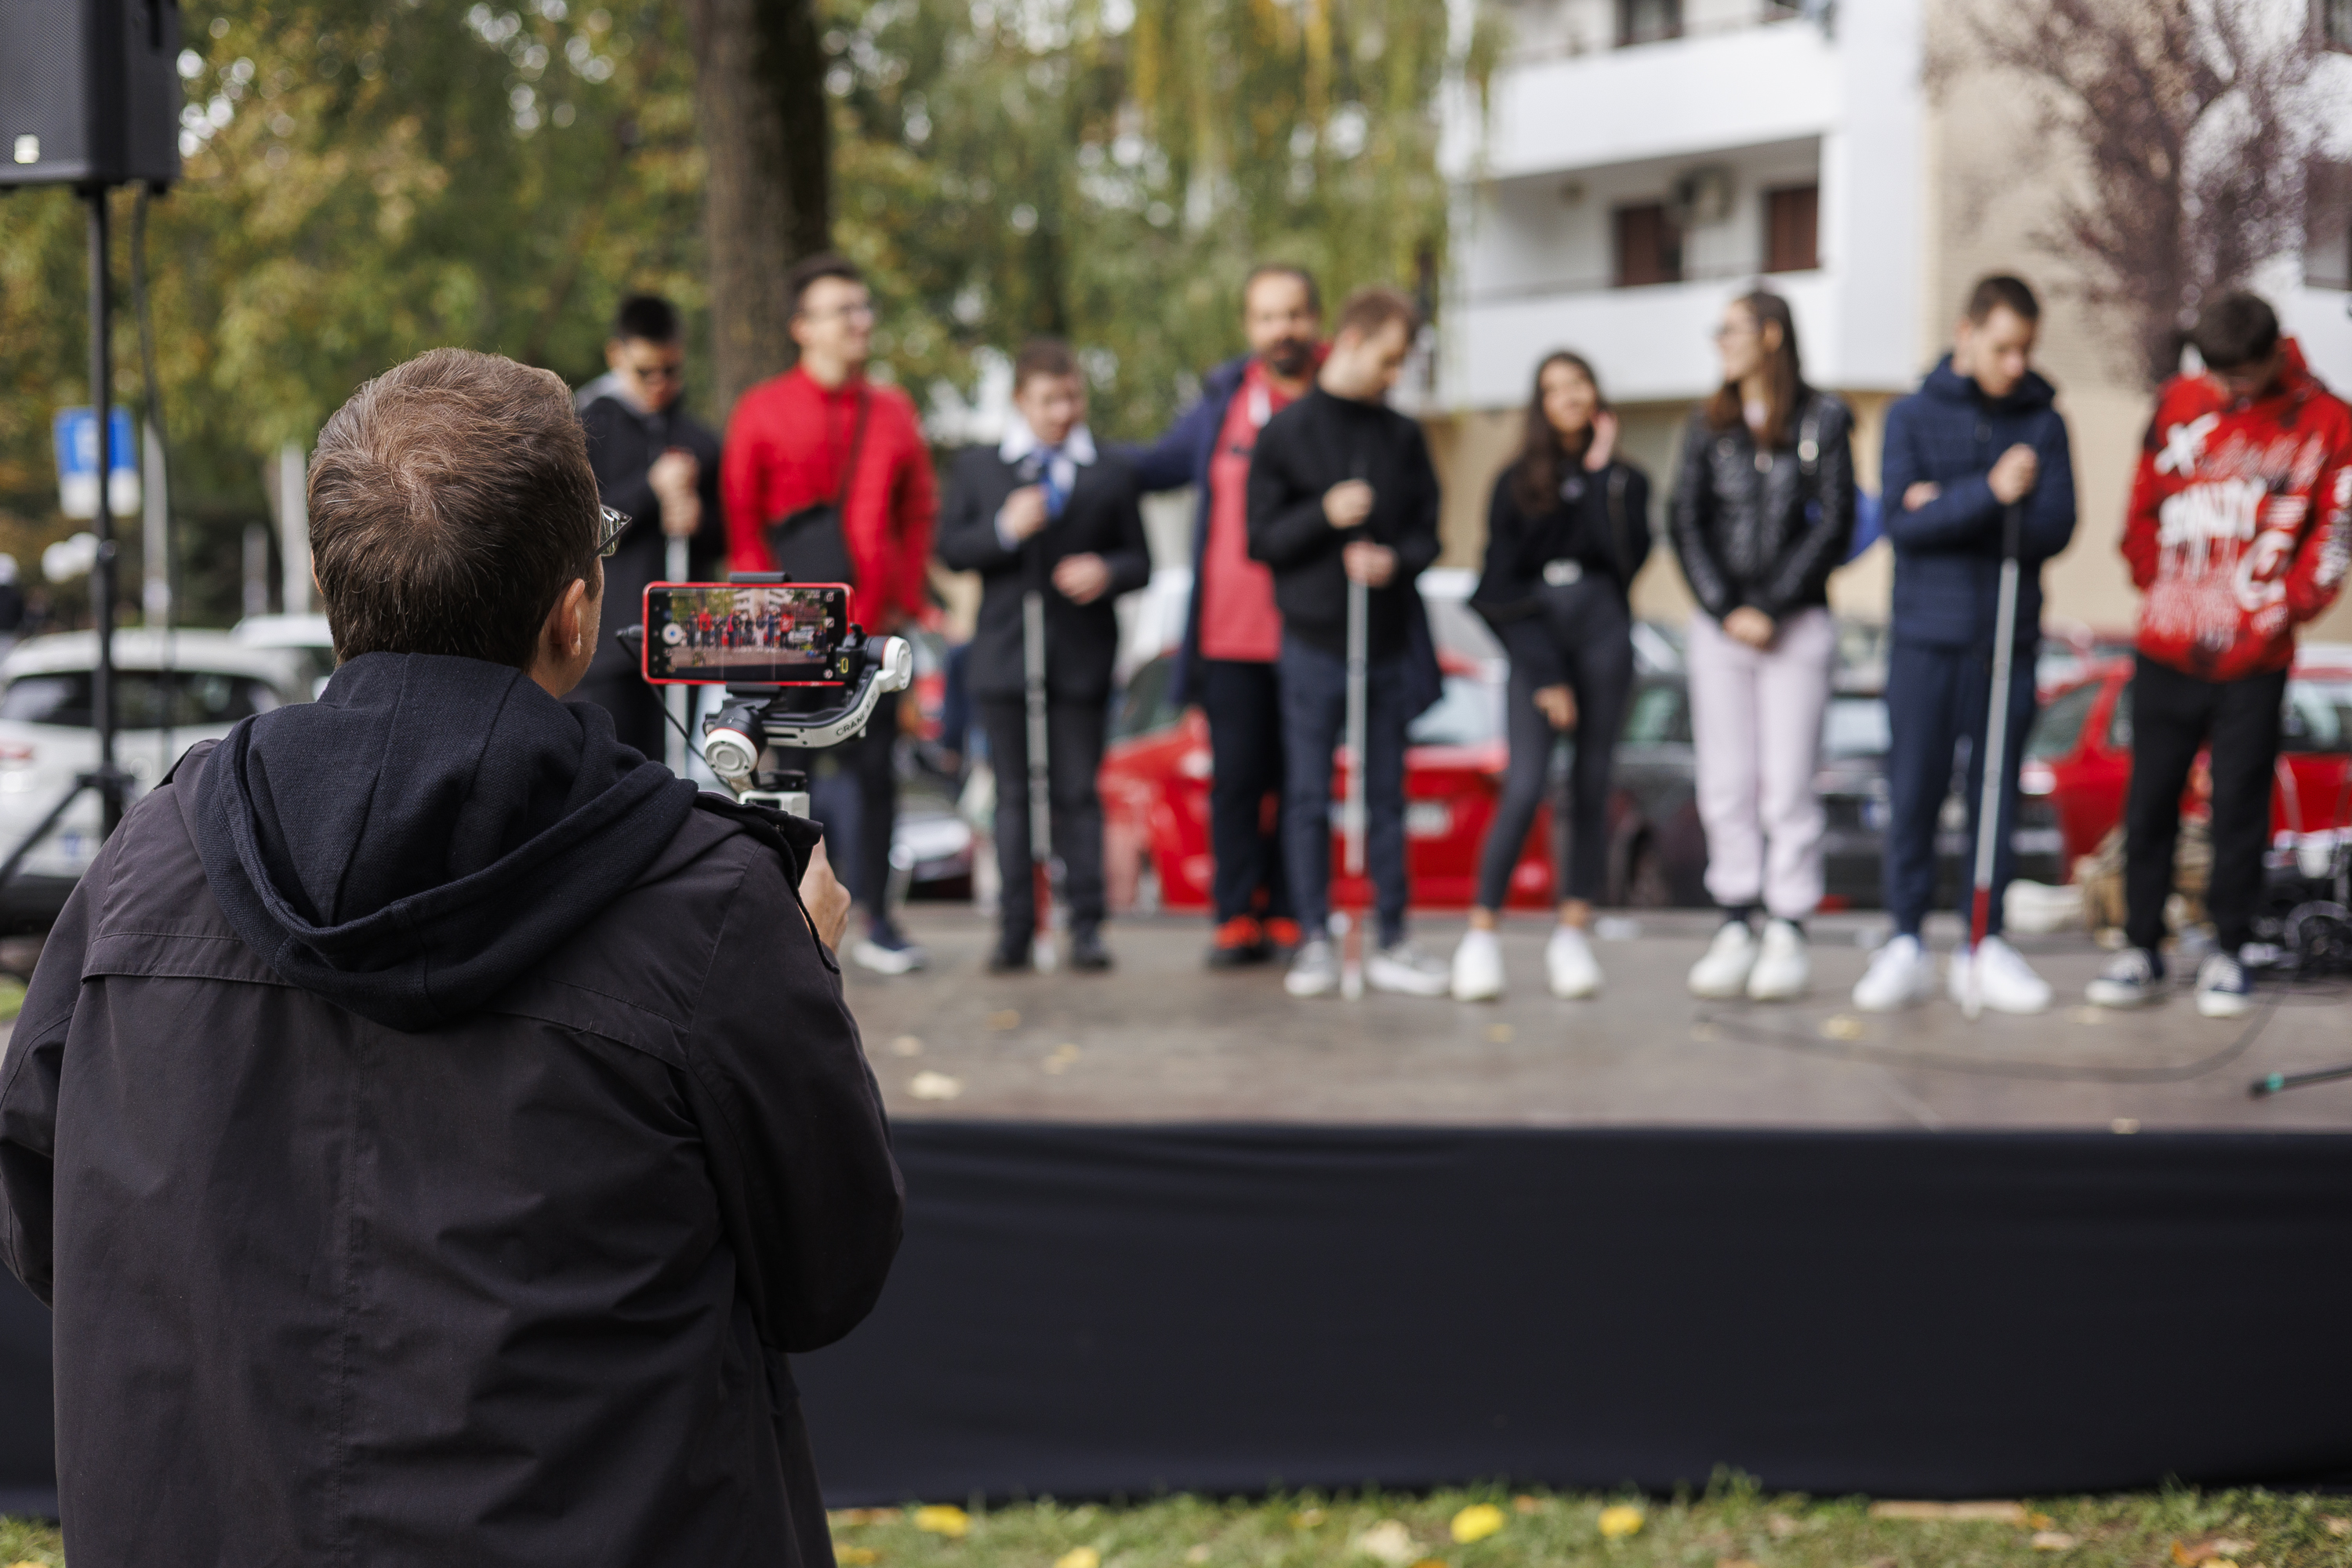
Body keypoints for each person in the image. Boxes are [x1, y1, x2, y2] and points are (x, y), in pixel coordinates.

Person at [0, 348, 902, 1564]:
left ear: (330, 592)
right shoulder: (710, 909)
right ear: (576, 614)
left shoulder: (143, 862)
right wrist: (802, 971)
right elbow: (829, 1273)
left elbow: (54, 1230)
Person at [2086, 292, 2352, 1018]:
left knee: (2239, 806)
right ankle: (2141, 945)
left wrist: (2283, 610)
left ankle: (2230, 948)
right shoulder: (2179, 403)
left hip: (2255, 657)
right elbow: (2141, 504)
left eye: (2240, 379)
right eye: (2218, 379)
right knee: (2148, 804)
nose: (2228, 393)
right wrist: (2154, 579)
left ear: (2272, 355)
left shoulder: (2328, 421)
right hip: (2167, 645)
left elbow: (2335, 533)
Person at [1853, 276, 2076, 1014]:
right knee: (1914, 791)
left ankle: (1984, 942)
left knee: (1995, 796)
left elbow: (2052, 528)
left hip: (2004, 639)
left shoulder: (2043, 421)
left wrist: (1946, 502)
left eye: (2026, 349)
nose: (2016, 363)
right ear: (1967, 332)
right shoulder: (1910, 415)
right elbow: (1902, 523)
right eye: (2004, 346)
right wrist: (1988, 493)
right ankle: (1906, 940)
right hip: (1925, 638)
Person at [723, 252, 939, 976]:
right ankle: (788, 914)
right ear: (801, 327)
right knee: (782, 774)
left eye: (864, 307)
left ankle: (877, 916)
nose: (860, 321)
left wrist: (903, 600)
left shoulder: (894, 412)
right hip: (785, 629)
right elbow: (742, 518)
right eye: (843, 309)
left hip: (871, 628)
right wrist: (769, 613)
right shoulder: (762, 410)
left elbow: (918, 510)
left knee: (875, 773)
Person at [1248, 285, 1448, 999]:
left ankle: (1393, 935)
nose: (1395, 375)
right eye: (1390, 358)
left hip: (1387, 641)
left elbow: (1430, 533)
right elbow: (1261, 538)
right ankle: (1312, 938)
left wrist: (1396, 560)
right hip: (1313, 642)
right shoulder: (1287, 433)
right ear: (1356, 341)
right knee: (1307, 795)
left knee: (1387, 794)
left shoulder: (1401, 436)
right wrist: (1324, 516)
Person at [937, 339, 1151, 972]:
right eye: (1049, 400)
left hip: (1080, 656)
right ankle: (1015, 927)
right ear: (1021, 402)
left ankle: (1086, 923)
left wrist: (1105, 571)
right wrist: (1006, 529)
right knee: (1011, 795)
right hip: (1005, 655)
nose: (1064, 411)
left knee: (1078, 792)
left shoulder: (1109, 470)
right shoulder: (982, 467)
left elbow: (1140, 559)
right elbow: (954, 547)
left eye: (1072, 397)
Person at [1131, 265, 1323, 967]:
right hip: (1230, 632)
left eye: (1295, 314)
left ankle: (1295, 911)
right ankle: (1237, 913)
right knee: (1239, 778)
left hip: (1311, 627)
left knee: (1302, 778)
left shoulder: (1337, 401)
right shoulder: (1225, 403)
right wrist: (1077, 465)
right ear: (1251, 329)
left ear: (1316, 321)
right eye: (1269, 317)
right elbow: (1155, 465)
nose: (1283, 330)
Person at [1669, 289, 1856, 1002]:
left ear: (1772, 336)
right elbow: (1685, 519)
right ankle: (1735, 917)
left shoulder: (1824, 417)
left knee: (1787, 781)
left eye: (1733, 329)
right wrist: (1724, 606)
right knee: (1726, 780)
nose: (1720, 341)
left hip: (1795, 625)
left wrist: (1773, 605)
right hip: (1722, 630)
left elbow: (1833, 521)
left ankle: (1788, 924)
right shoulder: (1706, 424)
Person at [1453, 352, 1650, 1002]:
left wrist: (1598, 478)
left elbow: (1626, 563)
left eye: (1578, 385)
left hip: (1603, 636)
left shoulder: (1624, 482)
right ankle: (1482, 933)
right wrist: (1543, 673)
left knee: (1593, 786)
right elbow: (1495, 586)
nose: (1568, 398)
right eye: (1553, 389)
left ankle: (1573, 932)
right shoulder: (1514, 482)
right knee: (1525, 785)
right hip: (1539, 638)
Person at [574, 292, 726, 757]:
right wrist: (649, 490)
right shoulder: (584, 429)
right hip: (607, 649)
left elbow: (727, 541)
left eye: (671, 371)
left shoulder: (699, 439)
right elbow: (583, 536)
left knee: (670, 776)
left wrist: (698, 521)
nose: (660, 383)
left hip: (685, 641)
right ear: (616, 355)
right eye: (645, 371)